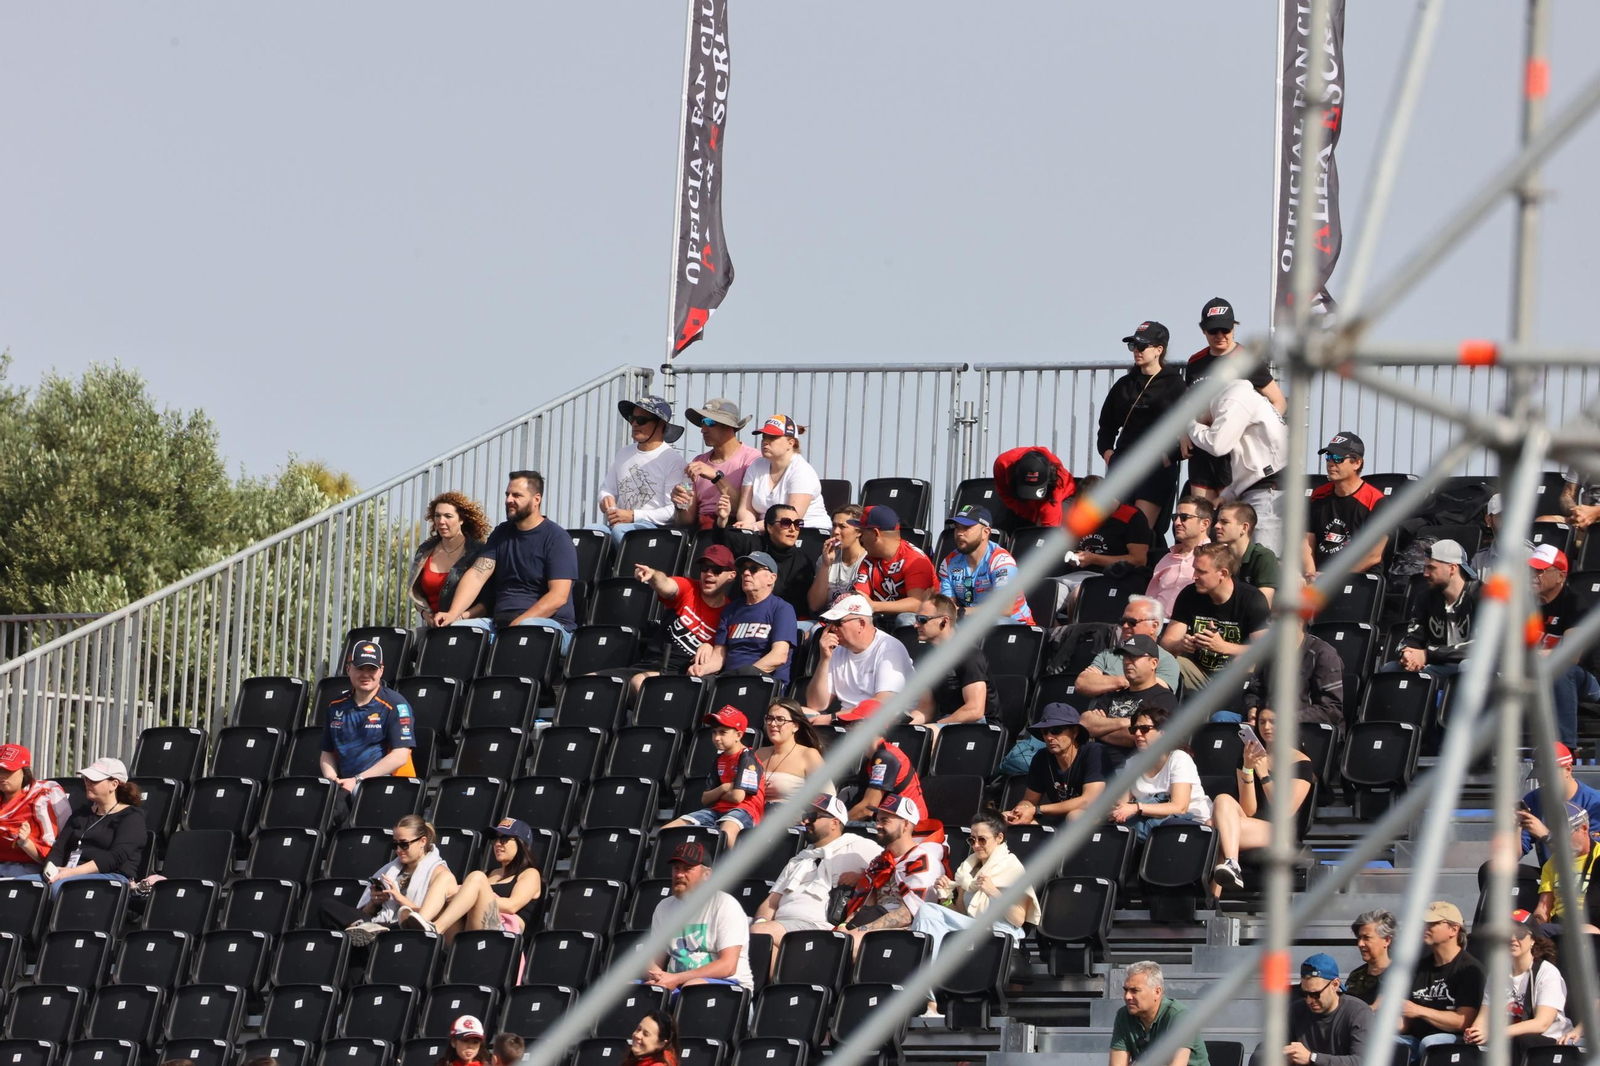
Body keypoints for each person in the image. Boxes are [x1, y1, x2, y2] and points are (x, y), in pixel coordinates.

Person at [913, 812, 1041, 1017]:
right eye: (972, 839)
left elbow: (1018, 919)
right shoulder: (967, 871)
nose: (976, 845)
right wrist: (945, 897)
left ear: (999, 838)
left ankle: (931, 997)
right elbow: (963, 914)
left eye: (982, 839)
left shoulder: (1012, 867)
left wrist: (994, 892)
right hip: (973, 929)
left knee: (929, 913)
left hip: (1000, 934)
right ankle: (931, 997)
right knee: (928, 911)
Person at [434, 471, 579, 651]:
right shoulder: (501, 534)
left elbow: (558, 596)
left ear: (536, 499)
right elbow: (477, 575)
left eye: (517, 495)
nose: (509, 499)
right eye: (507, 494)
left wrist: (519, 624)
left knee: (524, 632)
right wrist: (453, 614)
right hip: (500, 626)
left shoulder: (557, 538)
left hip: (550, 627)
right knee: (456, 632)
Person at [751, 794, 880, 968]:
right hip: (782, 926)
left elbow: (886, 872)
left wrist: (861, 877)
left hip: (818, 927)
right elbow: (771, 902)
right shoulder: (799, 859)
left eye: (812, 817)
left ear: (834, 823)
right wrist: (760, 921)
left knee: (760, 934)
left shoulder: (857, 846)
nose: (805, 822)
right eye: (805, 817)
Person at [1182, 297, 1288, 506]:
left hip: (1231, 451)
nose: (1220, 336)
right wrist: (1185, 433)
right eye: (1213, 331)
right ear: (1203, 330)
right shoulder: (1195, 362)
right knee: (1200, 511)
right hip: (1201, 448)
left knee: (1228, 515)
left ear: (1234, 328)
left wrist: (1253, 435)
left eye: (1225, 330)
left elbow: (1278, 401)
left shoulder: (1247, 359)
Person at [1183, 366, 1290, 555]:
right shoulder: (1237, 396)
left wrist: (1192, 425)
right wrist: (1229, 493)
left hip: (1269, 489)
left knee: (1264, 559)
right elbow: (1248, 458)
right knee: (1250, 559)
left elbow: (1218, 446)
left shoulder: (1233, 399)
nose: (1204, 423)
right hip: (1263, 485)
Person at [1209, 706, 1315, 892]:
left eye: (1273, 722)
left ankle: (1212, 900)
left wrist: (1264, 775)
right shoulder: (1249, 757)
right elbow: (1248, 809)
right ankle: (1231, 864)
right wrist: (1248, 769)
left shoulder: (1301, 762)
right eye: (1262, 721)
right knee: (1223, 799)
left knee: (1216, 827)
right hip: (1252, 824)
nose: (1267, 727)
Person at [1098, 321, 1187, 528]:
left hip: (1155, 467)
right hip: (1123, 464)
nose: (1136, 351)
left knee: (1141, 530)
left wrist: (1169, 456)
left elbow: (1189, 428)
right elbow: (1107, 423)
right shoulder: (1124, 384)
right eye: (1133, 346)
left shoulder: (1174, 384)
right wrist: (1107, 452)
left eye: (1142, 346)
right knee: (1113, 528)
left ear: (1159, 350)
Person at [320, 815, 456, 947]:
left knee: (354, 944)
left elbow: (429, 919)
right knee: (326, 905)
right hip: (378, 925)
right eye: (394, 845)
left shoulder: (439, 873)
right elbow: (366, 912)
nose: (398, 850)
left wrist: (399, 898)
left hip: (403, 929)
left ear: (422, 841)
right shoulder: (388, 869)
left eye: (404, 844)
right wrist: (374, 903)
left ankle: (364, 930)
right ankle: (363, 928)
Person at [401, 817, 542, 944]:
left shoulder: (530, 874)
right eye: (495, 839)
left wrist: (474, 896)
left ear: (521, 843)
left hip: (502, 935)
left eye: (504, 838)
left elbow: (512, 906)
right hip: (469, 929)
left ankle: (436, 928)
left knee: (477, 878)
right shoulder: (488, 873)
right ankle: (422, 922)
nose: (498, 843)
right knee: (445, 878)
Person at [1161, 542, 1271, 701]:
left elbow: (1264, 650)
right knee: (1165, 662)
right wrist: (1181, 644)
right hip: (1199, 673)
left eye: (1201, 571)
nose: (1194, 576)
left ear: (1223, 573)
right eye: (1194, 569)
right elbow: (1167, 642)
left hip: (1235, 677)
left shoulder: (1251, 599)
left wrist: (1223, 647)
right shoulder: (1189, 595)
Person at [838, 794, 949, 952]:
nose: (877, 825)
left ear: (905, 825)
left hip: (908, 933)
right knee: (835, 943)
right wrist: (844, 926)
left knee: (851, 946)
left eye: (885, 821)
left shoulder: (924, 860)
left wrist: (861, 931)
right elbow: (867, 904)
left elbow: (908, 915)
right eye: (878, 820)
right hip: (872, 926)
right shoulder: (880, 861)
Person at [624, 545, 738, 695]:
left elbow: (721, 653)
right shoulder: (689, 587)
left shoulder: (730, 613)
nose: (709, 573)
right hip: (647, 664)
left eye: (716, 570)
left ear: (731, 576)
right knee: (591, 682)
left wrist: (710, 647)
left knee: (641, 683)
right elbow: (666, 585)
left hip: (679, 673)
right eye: (705, 568)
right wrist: (652, 575)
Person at [319, 642, 418, 813]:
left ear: (381, 670)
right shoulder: (335, 705)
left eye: (371, 669)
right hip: (345, 782)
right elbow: (326, 752)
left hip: (383, 783)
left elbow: (400, 756)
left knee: (358, 797)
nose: (365, 674)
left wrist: (357, 780)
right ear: (348, 669)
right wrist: (332, 779)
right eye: (359, 668)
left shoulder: (396, 705)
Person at [644, 842, 755, 992]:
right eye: (676, 868)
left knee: (692, 987)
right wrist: (658, 977)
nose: (679, 874)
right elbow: (654, 959)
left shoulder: (725, 905)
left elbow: (728, 966)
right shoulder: (664, 907)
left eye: (688, 869)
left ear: (707, 874)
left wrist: (677, 979)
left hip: (730, 985)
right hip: (678, 983)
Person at [1464, 911, 1573, 1059]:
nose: (1513, 938)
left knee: (1521, 1040)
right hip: (1508, 1038)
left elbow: (1542, 1023)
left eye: (1520, 933)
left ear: (1533, 940)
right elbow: (1483, 1016)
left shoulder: (1547, 972)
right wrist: (1474, 1032)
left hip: (1549, 1041)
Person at [688, 552, 798, 685]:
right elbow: (719, 655)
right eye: (743, 569)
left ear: (771, 578)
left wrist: (745, 674)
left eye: (753, 569)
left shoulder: (782, 609)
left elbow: (779, 656)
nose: (746, 573)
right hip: (728, 681)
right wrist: (701, 669)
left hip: (763, 683)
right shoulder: (730, 610)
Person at [592, 396, 689, 546]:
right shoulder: (624, 453)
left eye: (642, 420)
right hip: (622, 527)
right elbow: (606, 488)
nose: (635, 424)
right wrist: (606, 499)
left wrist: (634, 516)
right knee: (591, 532)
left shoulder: (674, 461)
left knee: (621, 532)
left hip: (656, 531)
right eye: (632, 419)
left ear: (660, 424)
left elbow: (673, 511)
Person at [42, 757, 147, 896]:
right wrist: (51, 871)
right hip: (70, 874)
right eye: (86, 779)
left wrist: (71, 873)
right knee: (28, 886)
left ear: (114, 784)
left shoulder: (132, 817)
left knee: (59, 889)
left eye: (94, 781)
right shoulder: (81, 814)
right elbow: (59, 849)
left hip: (109, 878)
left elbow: (114, 857)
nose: (87, 783)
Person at [663, 707, 766, 847]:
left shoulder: (747, 757)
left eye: (723, 732)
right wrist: (725, 787)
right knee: (666, 831)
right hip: (717, 811)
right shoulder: (720, 758)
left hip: (744, 811)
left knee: (726, 834)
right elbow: (705, 799)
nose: (717, 737)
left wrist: (718, 793)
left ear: (738, 735)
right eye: (714, 732)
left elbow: (737, 797)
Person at [804, 593, 914, 725]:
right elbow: (816, 704)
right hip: (845, 721)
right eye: (830, 623)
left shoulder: (888, 648)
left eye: (838, 622)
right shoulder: (837, 650)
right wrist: (824, 660)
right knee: (790, 714)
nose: (832, 628)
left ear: (861, 624)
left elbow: (880, 704)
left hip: (880, 724)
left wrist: (832, 718)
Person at [1530, 545, 1600, 749]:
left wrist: (1538, 655)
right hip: (1536, 672)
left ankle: (1565, 747)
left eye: (1540, 570)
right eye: (1532, 570)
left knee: (1561, 670)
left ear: (1560, 576)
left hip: (1585, 681)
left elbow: (1572, 656)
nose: (1534, 575)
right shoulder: (1525, 605)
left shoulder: (1575, 603)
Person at [1398, 901, 1486, 1061]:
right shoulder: (1418, 967)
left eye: (1433, 923)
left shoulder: (1469, 969)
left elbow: (1463, 1021)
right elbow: (1405, 1022)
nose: (1426, 928)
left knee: (1430, 1043)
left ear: (1453, 929)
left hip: (1454, 1041)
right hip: (1415, 1039)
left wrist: (1419, 1010)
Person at [1080, 635, 1180, 776]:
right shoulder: (1114, 694)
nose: (1127, 662)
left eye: (1134, 656)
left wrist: (1099, 731)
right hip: (1096, 769)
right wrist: (1124, 723)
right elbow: (1084, 723)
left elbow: (1138, 738)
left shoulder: (1164, 698)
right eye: (1125, 657)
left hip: (1131, 773)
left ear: (1154, 663)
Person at [1249, 954, 1372, 1066]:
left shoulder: (1358, 1012)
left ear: (1335, 985)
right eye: (1304, 993)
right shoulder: (1295, 1010)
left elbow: (1362, 1061)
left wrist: (1312, 1058)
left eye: (1315, 994)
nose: (1309, 1000)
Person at [1109, 706, 1212, 841]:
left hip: (1192, 824)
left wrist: (1137, 808)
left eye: (1144, 729)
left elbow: (1180, 807)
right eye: (1134, 730)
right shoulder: (1133, 763)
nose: (1138, 734)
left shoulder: (1179, 759)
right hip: (1152, 825)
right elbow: (1123, 804)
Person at [1384, 539, 1479, 683]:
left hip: (1477, 667)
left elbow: (1480, 648)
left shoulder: (1482, 596)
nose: (1425, 574)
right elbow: (1414, 636)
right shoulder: (1426, 597)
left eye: (1431, 568)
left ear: (1452, 568)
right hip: (1439, 666)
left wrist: (1427, 654)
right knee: (1390, 669)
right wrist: (1408, 652)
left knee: (1468, 666)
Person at [1003, 703, 1108, 825]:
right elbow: (1030, 800)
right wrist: (1021, 809)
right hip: (1057, 818)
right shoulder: (1041, 757)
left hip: (1099, 818)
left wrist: (1037, 810)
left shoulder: (1094, 752)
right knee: (1005, 818)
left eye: (1056, 730)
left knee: (1075, 816)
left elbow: (1088, 801)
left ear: (1074, 732)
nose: (1049, 737)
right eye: (1045, 731)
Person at [1303, 433, 1387, 582]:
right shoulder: (1318, 495)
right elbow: (1307, 541)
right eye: (1328, 457)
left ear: (1357, 463)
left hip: (1358, 580)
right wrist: (1310, 574)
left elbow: (1374, 555)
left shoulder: (1376, 501)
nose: (1331, 463)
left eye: (1338, 459)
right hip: (1319, 578)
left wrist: (1334, 578)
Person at [910, 594, 1001, 730]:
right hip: (948, 721)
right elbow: (925, 709)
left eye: (922, 619)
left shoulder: (969, 655)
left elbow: (974, 710)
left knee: (931, 735)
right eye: (916, 619)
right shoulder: (926, 658)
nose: (915, 625)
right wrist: (898, 726)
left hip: (982, 727)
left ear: (944, 621)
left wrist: (938, 726)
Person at [713, 503, 817, 619]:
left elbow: (798, 606)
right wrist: (722, 520)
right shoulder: (753, 543)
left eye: (798, 524)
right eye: (786, 523)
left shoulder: (802, 562)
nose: (793, 529)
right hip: (742, 613)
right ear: (769, 527)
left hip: (777, 619)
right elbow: (722, 539)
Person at [936, 504, 1034, 624]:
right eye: (957, 528)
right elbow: (949, 609)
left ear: (986, 532)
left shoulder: (1001, 561)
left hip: (1013, 627)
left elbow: (1004, 610)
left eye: (966, 528)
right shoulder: (949, 562)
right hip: (971, 623)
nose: (959, 533)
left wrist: (962, 611)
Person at [674, 397, 761, 532]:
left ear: (728, 426)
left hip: (735, 530)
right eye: (702, 422)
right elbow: (686, 521)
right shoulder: (699, 462)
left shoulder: (752, 459)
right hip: (701, 532)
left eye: (709, 422)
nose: (702, 429)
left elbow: (747, 510)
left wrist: (716, 477)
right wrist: (679, 505)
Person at [1243, 617, 1345, 729]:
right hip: (1268, 727)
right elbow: (1253, 691)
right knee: (1224, 718)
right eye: (1271, 621)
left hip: (1308, 730)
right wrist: (1252, 708)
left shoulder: (1324, 655)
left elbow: (1331, 709)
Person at [733, 414, 830, 531]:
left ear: (791, 443)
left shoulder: (802, 471)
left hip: (807, 532)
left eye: (773, 437)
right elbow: (745, 508)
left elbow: (790, 519)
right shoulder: (756, 465)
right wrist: (746, 528)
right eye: (764, 437)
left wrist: (753, 527)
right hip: (768, 532)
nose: (765, 442)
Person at [409, 492, 492, 624]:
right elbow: (416, 593)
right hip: (432, 627)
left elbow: (487, 602)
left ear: (461, 519)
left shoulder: (478, 552)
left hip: (465, 626)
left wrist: (457, 618)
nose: (441, 521)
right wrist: (425, 615)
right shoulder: (425, 550)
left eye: (448, 516)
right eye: (437, 516)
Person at [1074, 596, 1182, 697]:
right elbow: (1082, 683)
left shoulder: (1166, 660)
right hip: (1097, 715)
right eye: (1123, 621)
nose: (1125, 626)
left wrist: (1103, 681)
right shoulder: (1108, 654)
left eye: (1132, 622)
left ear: (1154, 626)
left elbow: (1155, 693)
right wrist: (1124, 681)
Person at [1110, 960, 1211, 1066]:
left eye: (1135, 991)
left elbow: (1178, 1064)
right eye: (1126, 990)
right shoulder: (1124, 1015)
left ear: (1157, 992)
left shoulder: (1179, 1016)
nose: (1127, 997)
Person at [853, 505, 937, 626]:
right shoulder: (869, 560)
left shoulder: (914, 559)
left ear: (876, 533)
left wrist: (874, 606)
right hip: (884, 618)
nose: (861, 538)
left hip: (923, 621)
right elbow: (861, 596)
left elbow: (917, 603)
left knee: (905, 619)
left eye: (863, 532)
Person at [0, 743, 71, 878]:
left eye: (8, 771)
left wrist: (25, 842)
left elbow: (56, 850)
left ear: (24, 771)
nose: (2, 776)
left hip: (31, 869)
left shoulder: (44, 795)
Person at [1519, 743, 1600, 861]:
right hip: (1548, 873)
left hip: (1584, 875)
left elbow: (1590, 859)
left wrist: (1546, 835)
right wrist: (1515, 828)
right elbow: (1513, 856)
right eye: (1539, 778)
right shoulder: (1533, 799)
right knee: (1491, 870)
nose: (1543, 783)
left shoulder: (1593, 803)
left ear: (1568, 769)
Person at [1532, 802, 1600, 938]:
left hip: (1593, 925)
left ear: (1584, 829)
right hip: (1560, 926)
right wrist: (1533, 924)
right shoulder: (1553, 862)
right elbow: (1544, 907)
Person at [1065, 476, 1152, 574]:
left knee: (1078, 589)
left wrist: (1095, 559)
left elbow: (1139, 560)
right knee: (1051, 586)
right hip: (1077, 575)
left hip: (1115, 577)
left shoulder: (1131, 516)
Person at [1147, 496, 1215, 616]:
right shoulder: (1166, 559)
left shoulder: (1216, 557)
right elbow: (1149, 600)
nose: (1177, 522)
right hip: (1157, 626)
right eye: (1175, 517)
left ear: (1204, 524)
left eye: (1184, 517)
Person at [753, 699, 829, 806]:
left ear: (795, 726)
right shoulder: (760, 753)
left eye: (780, 719)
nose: (773, 724)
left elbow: (827, 795)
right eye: (769, 719)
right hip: (754, 816)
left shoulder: (808, 755)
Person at [1212, 502, 1280, 606]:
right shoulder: (1217, 556)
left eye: (1224, 522)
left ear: (1244, 528)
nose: (1216, 526)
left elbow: (1262, 606)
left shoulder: (1263, 557)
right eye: (1217, 521)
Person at [993, 446, 1076, 530]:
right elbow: (1005, 494)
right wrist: (1031, 516)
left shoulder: (1058, 481)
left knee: (1060, 524)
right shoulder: (1002, 464)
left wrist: (1040, 529)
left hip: (1058, 499)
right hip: (1020, 501)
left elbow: (1050, 527)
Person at [846, 737, 927, 823]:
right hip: (887, 820)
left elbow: (867, 809)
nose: (848, 729)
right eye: (847, 725)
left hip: (909, 826)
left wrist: (839, 824)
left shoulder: (886, 757)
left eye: (854, 725)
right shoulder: (870, 761)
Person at [808, 505, 868, 615]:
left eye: (842, 527)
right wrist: (825, 565)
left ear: (859, 532)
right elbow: (815, 605)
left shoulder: (867, 560)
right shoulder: (826, 557)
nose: (835, 531)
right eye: (834, 525)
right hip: (825, 617)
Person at [1345, 909, 1396, 1006]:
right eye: (1359, 938)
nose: (1360, 944)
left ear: (1386, 940)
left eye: (1367, 938)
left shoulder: (1400, 974)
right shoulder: (1355, 976)